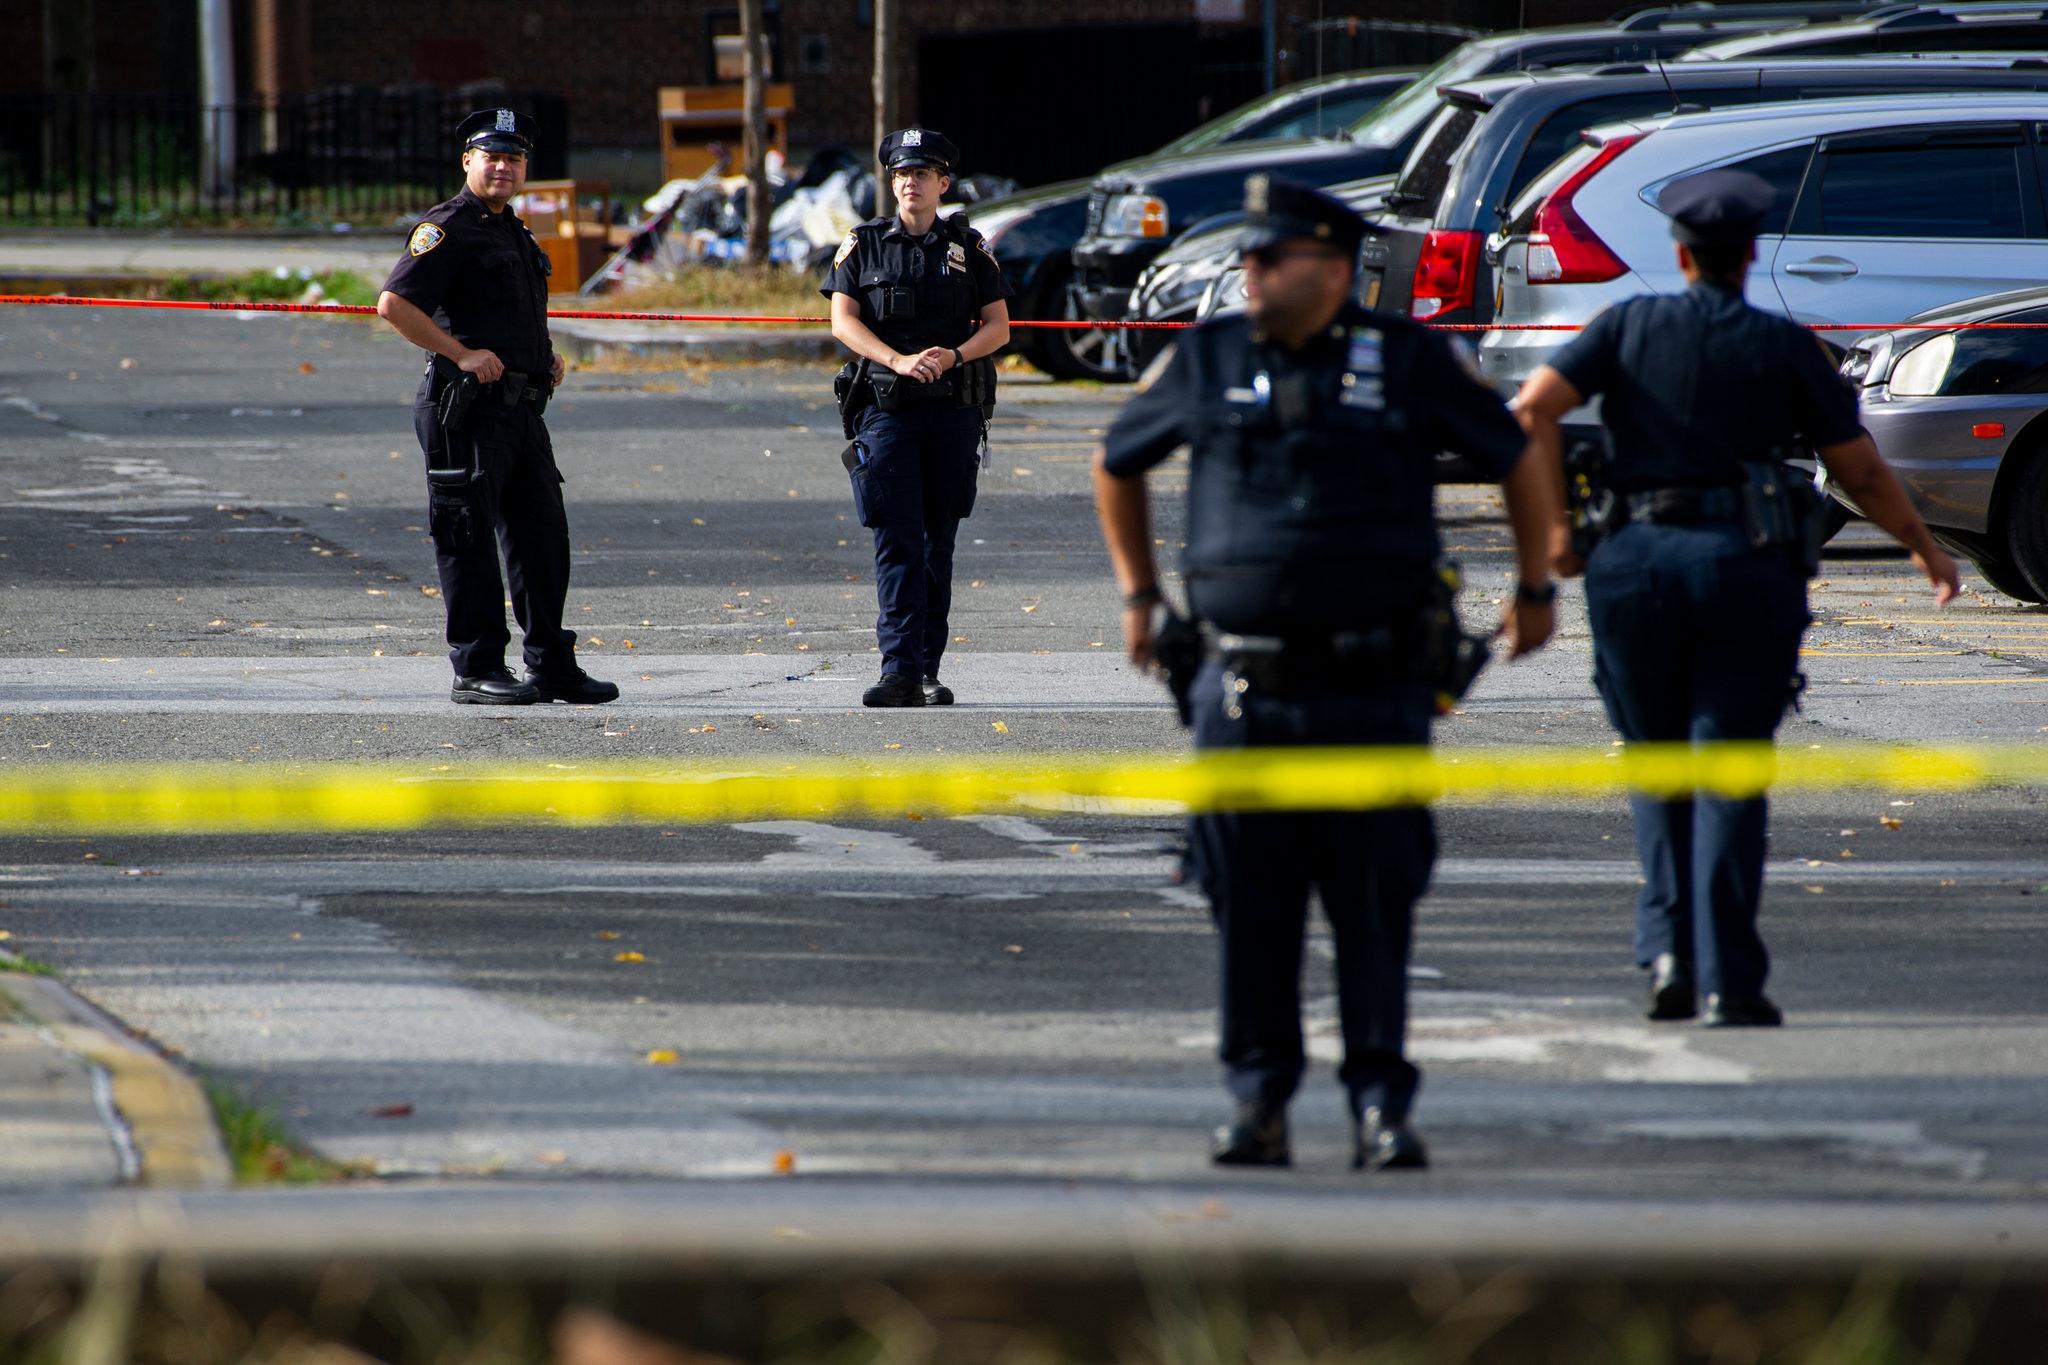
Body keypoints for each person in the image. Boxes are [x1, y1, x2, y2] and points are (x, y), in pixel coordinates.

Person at [1093, 175, 1561, 1170]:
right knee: (1248, 906)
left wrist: (1534, 585)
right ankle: (1257, 1102)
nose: (1250, 272)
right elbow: (1117, 459)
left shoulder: (1408, 359)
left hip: (1373, 687)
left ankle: (1380, 1106)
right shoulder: (1209, 354)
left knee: (1372, 905)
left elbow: (1516, 454)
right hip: (1243, 689)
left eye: (1272, 257)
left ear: (1336, 270)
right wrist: (1139, 595)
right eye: (1248, 256)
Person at [1515, 169, 1961, 1028]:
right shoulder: (1785, 345)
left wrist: (1557, 534)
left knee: (1656, 763)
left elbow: (1532, 409)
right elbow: (1859, 469)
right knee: (1728, 769)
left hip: (1634, 564)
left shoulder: (1624, 325)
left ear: (1680, 253)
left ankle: (1670, 954)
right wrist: (1925, 546)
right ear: (1748, 253)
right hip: (1745, 564)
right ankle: (1729, 981)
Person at [375, 108, 616, 707]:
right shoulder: (447, 227)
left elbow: (508, 311)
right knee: (467, 536)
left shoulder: (514, 229)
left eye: (514, 157)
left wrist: (544, 356)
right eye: (492, 157)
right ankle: (477, 666)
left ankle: (550, 665)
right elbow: (394, 304)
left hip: (521, 409)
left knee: (543, 536)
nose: (503, 167)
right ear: (468, 162)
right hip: (466, 410)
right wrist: (460, 354)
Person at [823, 128, 1014, 708]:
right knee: (896, 542)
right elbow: (843, 322)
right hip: (887, 413)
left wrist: (953, 355)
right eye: (902, 174)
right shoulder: (863, 245)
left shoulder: (969, 247)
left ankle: (927, 671)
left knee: (936, 546)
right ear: (892, 183)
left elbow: (999, 328)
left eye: (923, 174)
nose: (911, 183)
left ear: (943, 183)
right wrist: (898, 360)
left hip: (953, 412)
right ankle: (897, 672)